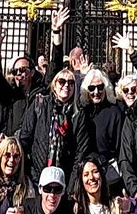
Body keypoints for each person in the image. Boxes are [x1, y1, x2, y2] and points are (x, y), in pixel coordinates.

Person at [17, 48, 88, 187]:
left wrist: (72, 184)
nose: (66, 85)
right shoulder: (40, 104)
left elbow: (80, 152)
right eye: (62, 81)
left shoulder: (78, 114)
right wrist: (27, 172)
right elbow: (25, 138)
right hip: (37, 176)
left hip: (63, 179)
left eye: (71, 83)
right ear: (54, 85)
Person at [79, 68, 124, 185]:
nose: (96, 91)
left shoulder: (115, 112)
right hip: (85, 173)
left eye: (100, 87)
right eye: (91, 88)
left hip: (108, 173)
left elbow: (120, 147)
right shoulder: (82, 112)